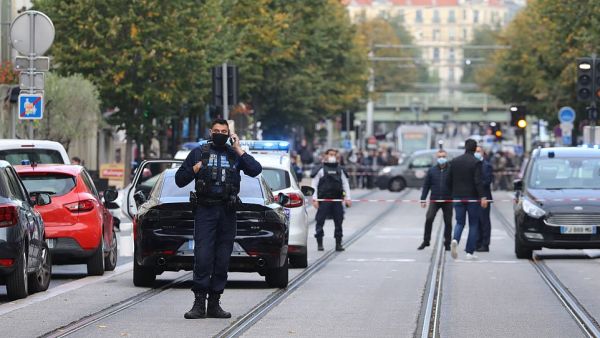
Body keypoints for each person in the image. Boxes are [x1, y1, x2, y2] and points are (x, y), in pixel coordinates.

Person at [175, 119, 262, 320]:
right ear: (210, 132)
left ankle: (214, 303)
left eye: (224, 131)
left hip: (227, 211)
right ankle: (199, 303)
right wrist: (194, 170)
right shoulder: (198, 152)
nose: (220, 133)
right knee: (203, 257)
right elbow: (180, 180)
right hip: (205, 210)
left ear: (229, 133)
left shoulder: (234, 154)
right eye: (217, 130)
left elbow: (255, 170)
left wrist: (239, 148)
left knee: (222, 259)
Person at [447, 139, 487, 260]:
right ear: (475, 149)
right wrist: (482, 197)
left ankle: (455, 240)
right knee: (473, 224)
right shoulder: (476, 162)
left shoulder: (454, 161)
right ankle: (469, 252)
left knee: (460, 222)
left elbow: (448, 180)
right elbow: (478, 181)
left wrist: (452, 193)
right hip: (472, 198)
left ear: (464, 147)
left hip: (458, 197)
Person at [311, 149, 352, 252]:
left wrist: (348, 198)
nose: (332, 156)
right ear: (326, 155)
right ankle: (319, 242)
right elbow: (314, 185)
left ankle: (338, 243)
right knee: (320, 221)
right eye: (330, 154)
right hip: (324, 199)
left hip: (337, 200)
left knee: (339, 221)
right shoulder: (320, 169)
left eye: (334, 154)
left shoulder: (340, 169)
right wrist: (315, 199)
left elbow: (345, 184)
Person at [418, 150, 453, 251]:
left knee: (448, 222)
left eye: (443, 156)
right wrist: (423, 199)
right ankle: (426, 240)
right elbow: (426, 185)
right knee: (429, 218)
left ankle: (447, 243)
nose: (441, 158)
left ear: (446, 157)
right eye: (439, 157)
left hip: (448, 200)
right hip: (435, 199)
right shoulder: (432, 170)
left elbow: (455, 184)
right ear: (437, 158)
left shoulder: (451, 170)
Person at [475, 146, 493, 252]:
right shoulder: (474, 164)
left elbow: (487, 181)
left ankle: (485, 244)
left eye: (478, 151)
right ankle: (477, 242)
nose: (477, 153)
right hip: (475, 198)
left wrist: (477, 185)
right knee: (476, 220)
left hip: (484, 197)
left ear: (483, 153)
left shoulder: (486, 165)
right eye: (475, 151)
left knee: (484, 220)